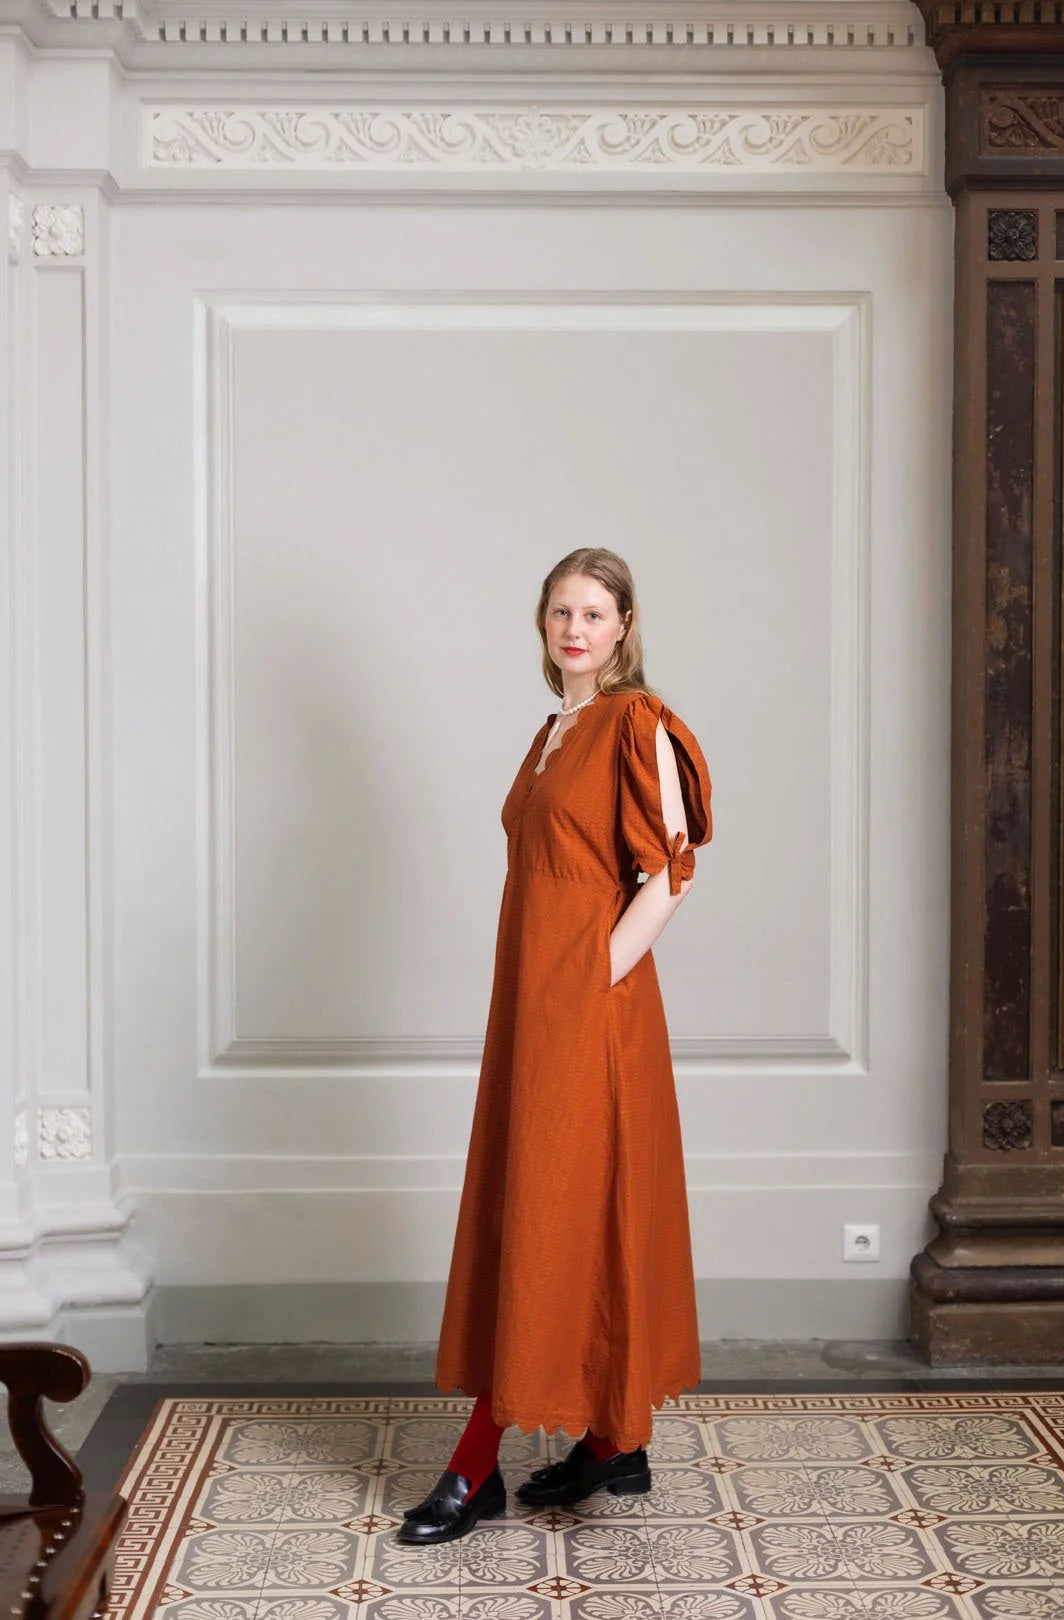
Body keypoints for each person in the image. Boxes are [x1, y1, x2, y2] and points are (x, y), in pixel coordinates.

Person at [397, 547, 712, 1545]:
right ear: (544, 626)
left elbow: (671, 870)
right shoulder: (552, 731)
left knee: (554, 1211)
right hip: (530, 1005)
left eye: (594, 612)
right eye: (560, 612)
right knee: (547, 1208)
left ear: (624, 627)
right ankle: (614, 1440)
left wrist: (589, 983)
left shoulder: (636, 722)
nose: (575, 628)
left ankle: (474, 1465)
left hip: (588, 1010)